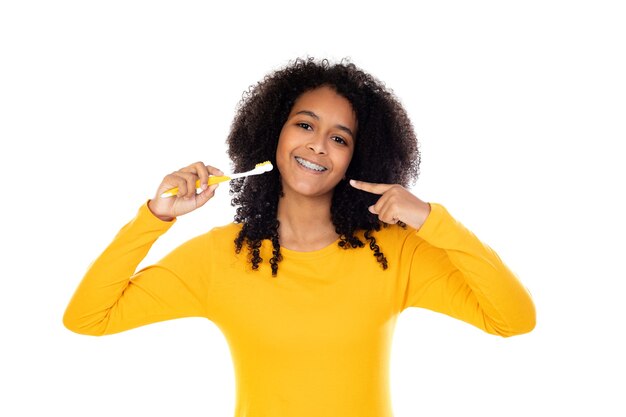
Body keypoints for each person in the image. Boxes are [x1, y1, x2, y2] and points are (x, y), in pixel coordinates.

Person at [63, 57, 536, 417]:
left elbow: (513, 319)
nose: (317, 144)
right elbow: (87, 317)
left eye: (340, 137)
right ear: (274, 134)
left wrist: (432, 219)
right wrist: (155, 217)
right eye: (305, 124)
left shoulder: (395, 252)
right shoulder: (220, 257)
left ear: (358, 157)